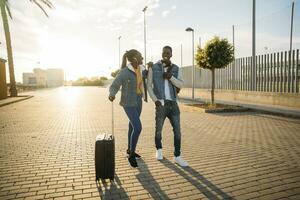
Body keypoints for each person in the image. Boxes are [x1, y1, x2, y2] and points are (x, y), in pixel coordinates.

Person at [147, 46, 189, 167]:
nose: (166, 54)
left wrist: (171, 77)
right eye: (164, 52)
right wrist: (155, 100)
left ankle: (177, 156)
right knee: (158, 130)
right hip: (161, 104)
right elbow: (149, 85)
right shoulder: (153, 68)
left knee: (178, 132)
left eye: (168, 53)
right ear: (161, 53)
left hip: (173, 104)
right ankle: (159, 150)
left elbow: (181, 84)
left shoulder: (176, 68)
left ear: (171, 55)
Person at [109, 49, 146, 168]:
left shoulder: (142, 69)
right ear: (135, 58)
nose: (142, 58)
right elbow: (115, 85)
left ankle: (130, 150)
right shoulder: (124, 72)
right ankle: (131, 156)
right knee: (138, 127)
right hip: (128, 103)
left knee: (132, 126)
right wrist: (112, 94)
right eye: (140, 56)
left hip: (139, 101)